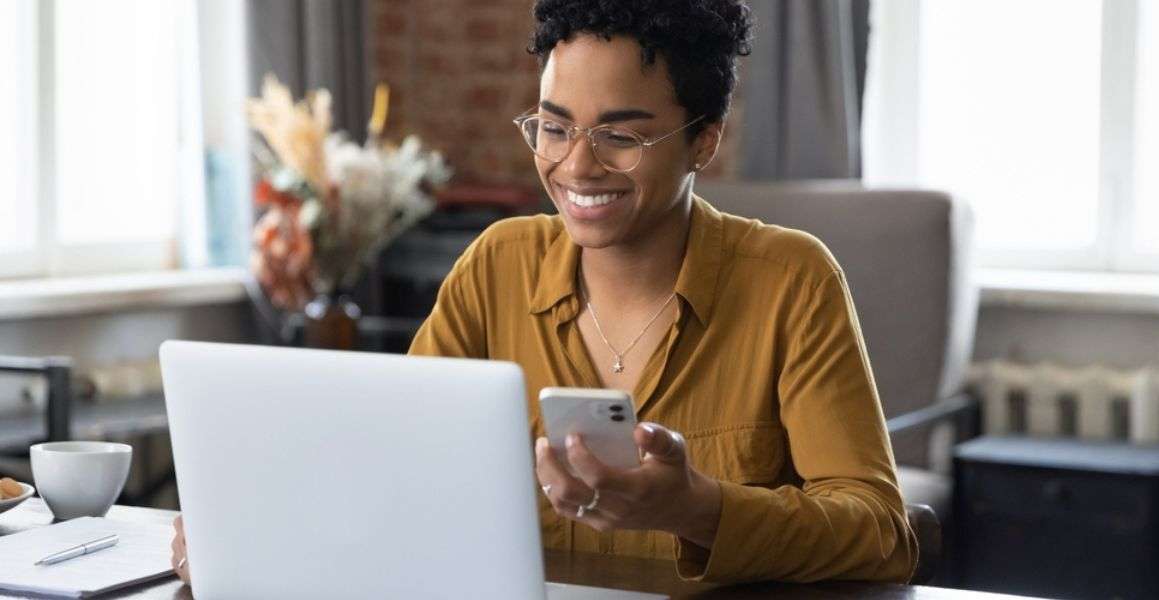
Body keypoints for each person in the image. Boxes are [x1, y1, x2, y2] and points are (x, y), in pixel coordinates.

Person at [173, 0, 917, 585]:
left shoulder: (790, 281)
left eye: (621, 136)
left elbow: (883, 534)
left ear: (704, 140)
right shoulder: (497, 265)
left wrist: (700, 509)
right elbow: (389, 467)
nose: (576, 166)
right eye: (553, 127)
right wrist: (252, 527)